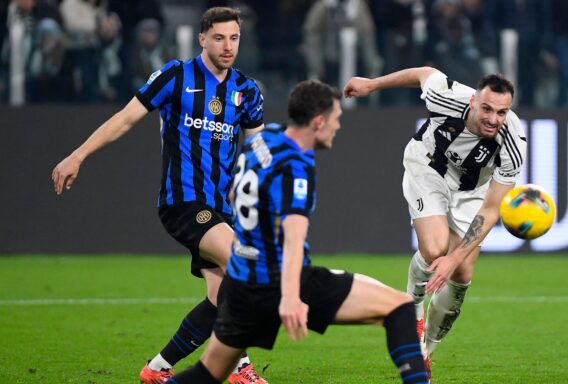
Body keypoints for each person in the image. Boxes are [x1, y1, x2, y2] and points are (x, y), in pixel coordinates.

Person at [51, 7, 268, 384]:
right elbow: (125, 119)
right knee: (244, 266)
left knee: (223, 298)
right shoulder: (175, 76)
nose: (227, 45)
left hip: (221, 208)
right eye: (219, 37)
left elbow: (258, 149)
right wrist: (78, 154)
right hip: (182, 202)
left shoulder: (246, 91)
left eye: (234, 38)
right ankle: (238, 368)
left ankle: (159, 369)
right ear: (202, 38)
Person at [167, 80, 429, 384]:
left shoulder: (263, 142)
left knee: (207, 373)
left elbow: (232, 196)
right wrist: (290, 297)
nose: (338, 127)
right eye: (335, 119)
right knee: (399, 308)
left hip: (241, 281)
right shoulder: (296, 168)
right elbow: (293, 240)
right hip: (279, 281)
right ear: (318, 122)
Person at [343, 67, 527, 378]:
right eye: (486, 108)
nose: (493, 119)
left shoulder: (513, 142)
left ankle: (425, 346)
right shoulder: (446, 96)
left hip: (473, 191)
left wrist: (455, 259)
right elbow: (422, 73)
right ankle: (411, 307)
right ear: (472, 101)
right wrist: (372, 85)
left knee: (462, 271)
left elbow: (493, 208)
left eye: (501, 112)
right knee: (434, 248)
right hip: (429, 168)